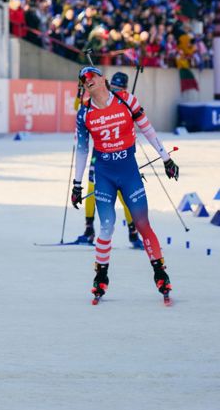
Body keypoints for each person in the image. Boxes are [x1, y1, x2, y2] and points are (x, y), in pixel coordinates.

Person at [70, 67, 179, 304]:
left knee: (143, 224)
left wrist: (167, 159)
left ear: (102, 79)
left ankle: (161, 274)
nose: (86, 81)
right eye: (83, 79)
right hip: (105, 175)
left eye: (91, 77)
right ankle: (101, 277)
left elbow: (147, 130)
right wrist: (77, 185)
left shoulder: (126, 100)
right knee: (106, 227)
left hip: (128, 172)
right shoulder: (84, 113)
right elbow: (81, 150)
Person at [77, 71, 141, 249]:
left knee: (117, 192)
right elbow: (82, 109)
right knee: (98, 188)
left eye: (119, 88)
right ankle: (91, 229)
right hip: (106, 154)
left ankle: (131, 232)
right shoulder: (111, 97)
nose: (116, 91)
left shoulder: (118, 98)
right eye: (114, 87)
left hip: (114, 154)